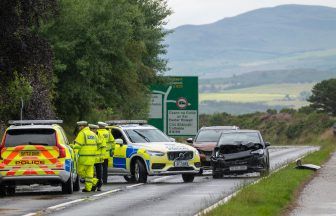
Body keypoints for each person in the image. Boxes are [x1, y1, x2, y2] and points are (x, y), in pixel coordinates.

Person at [72, 121, 98, 192]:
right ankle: (89, 188)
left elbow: (77, 146)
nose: (79, 128)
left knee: (79, 171)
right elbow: (98, 144)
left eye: (79, 126)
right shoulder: (93, 134)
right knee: (89, 173)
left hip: (84, 158)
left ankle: (93, 182)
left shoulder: (82, 134)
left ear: (83, 126)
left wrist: (72, 147)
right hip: (92, 158)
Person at [89, 124, 104, 191]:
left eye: (93, 129)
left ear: (96, 129)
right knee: (91, 173)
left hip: (98, 158)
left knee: (99, 173)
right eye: (91, 129)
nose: (92, 131)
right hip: (91, 158)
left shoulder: (100, 136)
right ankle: (93, 186)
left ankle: (99, 185)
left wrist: (102, 156)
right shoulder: (89, 136)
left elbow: (103, 147)